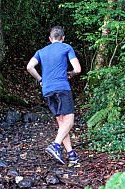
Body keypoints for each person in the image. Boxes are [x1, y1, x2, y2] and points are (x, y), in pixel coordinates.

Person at [26, 26, 81, 165]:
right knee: (69, 121)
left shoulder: (41, 51)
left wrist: (40, 80)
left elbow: (29, 67)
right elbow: (78, 69)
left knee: (62, 124)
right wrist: (71, 74)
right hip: (62, 88)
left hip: (48, 89)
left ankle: (71, 155)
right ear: (63, 38)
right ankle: (55, 146)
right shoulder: (66, 48)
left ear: (50, 39)